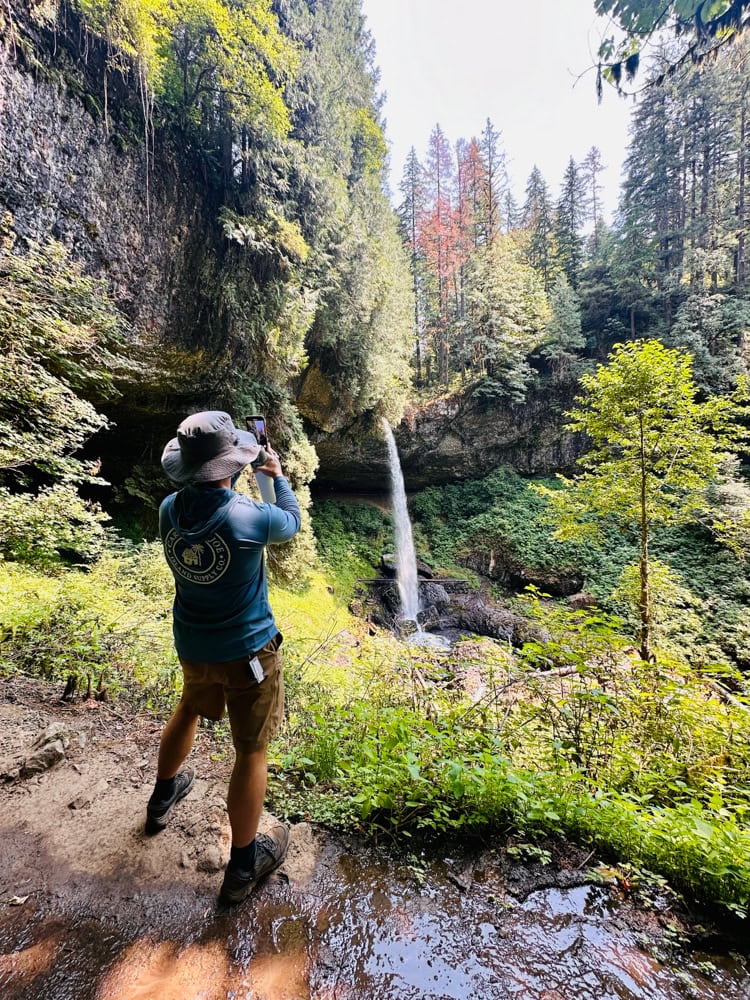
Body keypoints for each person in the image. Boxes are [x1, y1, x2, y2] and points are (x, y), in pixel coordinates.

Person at [145, 410, 301, 905]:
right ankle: (242, 865)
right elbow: (290, 524)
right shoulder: (247, 517)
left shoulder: (170, 508)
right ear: (231, 464)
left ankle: (161, 798)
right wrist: (274, 478)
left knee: (188, 707)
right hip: (247, 652)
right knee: (251, 751)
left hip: (193, 643)